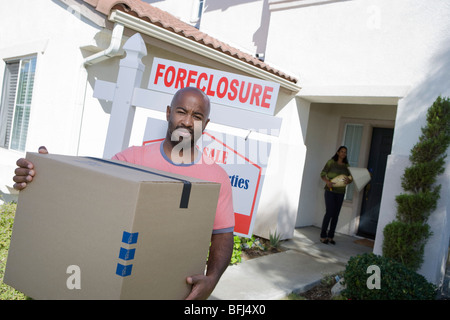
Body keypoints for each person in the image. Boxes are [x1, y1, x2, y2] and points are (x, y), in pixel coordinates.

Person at [12, 87, 234, 300]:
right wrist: (44, 173)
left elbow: (222, 235)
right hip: (114, 283)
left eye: (197, 116)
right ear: (168, 113)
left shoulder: (216, 177)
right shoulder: (132, 159)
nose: (187, 122)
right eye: (181, 111)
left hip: (173, 290)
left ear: (205, 124)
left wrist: (212, 279)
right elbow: (89, 192)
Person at [319, 146, 352, 245]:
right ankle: (323, 236)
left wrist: (349, 180)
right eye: (342, 151)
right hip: (330, 190)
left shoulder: (346, 165)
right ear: (338, 152)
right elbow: (322, 174)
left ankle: (330, 236)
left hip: (341, 192)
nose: (343, 154)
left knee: (336, 215)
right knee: (329, 213)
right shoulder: (331, 162)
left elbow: (351, 177)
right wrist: (327, 181)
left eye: (345, 152)